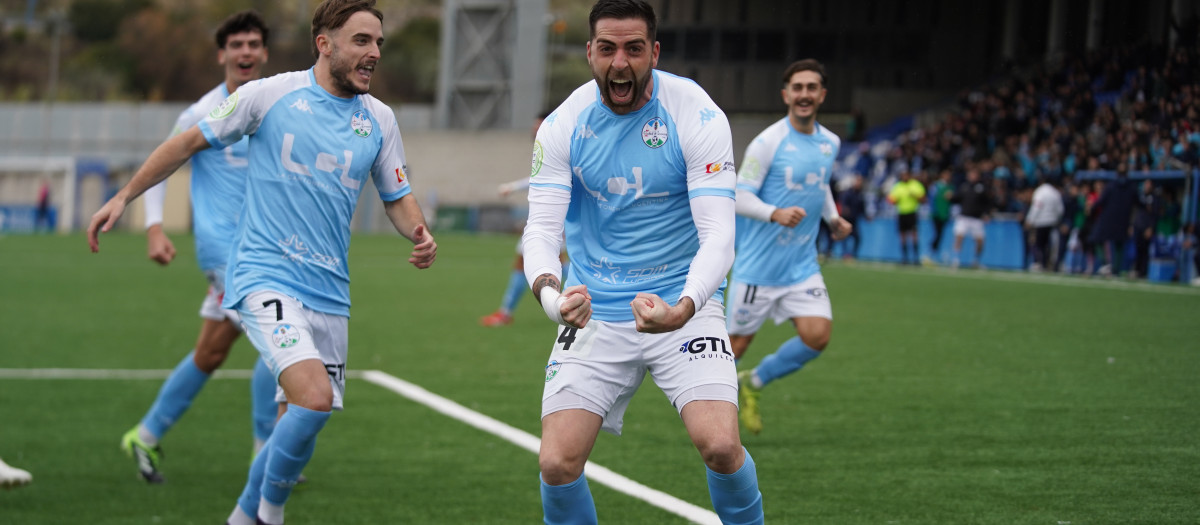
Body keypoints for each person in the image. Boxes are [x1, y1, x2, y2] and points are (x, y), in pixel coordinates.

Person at [87, 1, 437, 523]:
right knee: (312, 397)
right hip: (262, 276)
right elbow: (186, 142)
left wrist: (418, 228)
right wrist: (126, 197)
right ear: (326, 44)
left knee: (301, 420)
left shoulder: (380, 120)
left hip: (330, 292)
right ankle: (265, 517)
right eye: (362, 41)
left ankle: (244, 516)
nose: (374, 53)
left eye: (379, 43)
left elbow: (395, 193)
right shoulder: (270, 95)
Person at [521, 1, 763, 523]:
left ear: (653, 52)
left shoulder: (695, 113)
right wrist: (551, 298)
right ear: (589, 53)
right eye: (607, 49)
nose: (620, 63)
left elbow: (719, 233)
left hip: (684, 302)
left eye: (634, 49)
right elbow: (541, 230)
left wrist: (683, 307)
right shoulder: (563, 125)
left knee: (720, 445)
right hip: (597, 310)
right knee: (557, 462)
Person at [117, 10, 276, 485]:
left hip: (265, 247)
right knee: (282, 338)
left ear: (264, 53)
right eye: (236, 45)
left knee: (210, 352)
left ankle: (145, 434)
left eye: (253, 44)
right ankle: (265, 452)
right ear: (222, 54)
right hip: (226, 250)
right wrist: (154, 228)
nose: (245, 52)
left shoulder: (273, 104)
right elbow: (163, 165)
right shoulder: (200, 112)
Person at [725, 58, 851, 436]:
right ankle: (716, 418)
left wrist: (833, 217)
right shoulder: (768, 142)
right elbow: (739, 195)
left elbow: (820, 183)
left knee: (818, 336)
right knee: (735, 346)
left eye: (812, 88)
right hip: (758, 269)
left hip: (800, 266)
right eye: (797, 88)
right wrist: (773, 212)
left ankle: (756, 383)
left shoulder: (831, 142)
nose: (804, 95)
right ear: (786, 94)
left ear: (822, 95)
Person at [480, 112, 552, 327]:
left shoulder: (557, 148)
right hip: (550, 220)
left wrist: (512, 187)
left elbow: (546, 180)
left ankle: (594, 308)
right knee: (526, 262)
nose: (534, 131)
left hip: (555, 221)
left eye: (538, 127)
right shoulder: (545, 150)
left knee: (568, 265)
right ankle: (506, 312)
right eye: (534, 127)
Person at [951, 166, 992, 269]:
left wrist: (987, 214)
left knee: (980, 241)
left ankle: (976, 261)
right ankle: (956, 260)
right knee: (959, 237)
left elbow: (987, 203)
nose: (972, 176)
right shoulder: (964, 186)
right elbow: (957, 198)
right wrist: (951, 197)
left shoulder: (982, 188)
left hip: (977, 219)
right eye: (970, 174)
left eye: (974, 174)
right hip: (964, 217)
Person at [887, 165, 925, 265]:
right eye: (903, 175)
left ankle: (916, 258)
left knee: (914, 235)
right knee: (902, 236)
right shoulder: (898, 186)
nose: (905, 177)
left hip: (912, 213)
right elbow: (891, 199)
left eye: (906, 175)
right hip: (901, 213)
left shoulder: (915, 185)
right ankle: (905, 258)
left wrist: (915, 196)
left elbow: (923, 199)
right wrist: (894, 200)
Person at [1024, 176, 1063, 272]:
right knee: (1048, 244)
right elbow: (1060, 210)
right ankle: (1048, 264)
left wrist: (1030, 220)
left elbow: (1036, 207)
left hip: (1040, 222)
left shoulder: (1040, 192)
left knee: (1038, 244)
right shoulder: (1056, 193)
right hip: (1051, 223)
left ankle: (1039, 263)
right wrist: (1056, 219)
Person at [928, 169, 954, 263]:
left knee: (941, 234)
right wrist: (934, 211)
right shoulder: (936, 186)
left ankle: (935, 254)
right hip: (937, 214)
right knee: (937, 234)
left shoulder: (950, 187)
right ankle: (931, 253)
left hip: (945, 214)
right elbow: (931, 199)